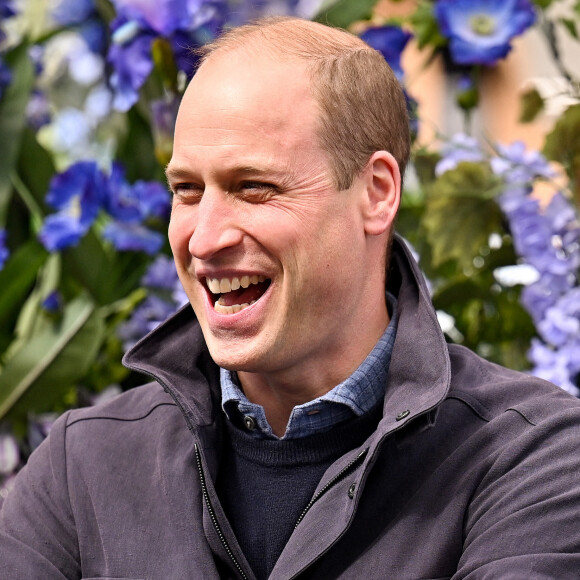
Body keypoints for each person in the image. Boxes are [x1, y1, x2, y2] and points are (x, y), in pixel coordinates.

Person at [2, 16, 580, 580]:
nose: (204, 238)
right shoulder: (84, 465)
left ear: (376, 193)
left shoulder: (531, 457)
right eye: (187, 190)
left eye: (253, 188)